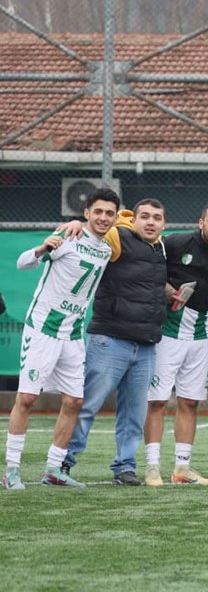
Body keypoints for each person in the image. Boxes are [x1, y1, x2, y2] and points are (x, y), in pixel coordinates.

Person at [3, 190, 117, 490]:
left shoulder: (107, 249)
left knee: (73, 401)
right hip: (43, 329)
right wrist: (42, 247)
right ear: (87, 213)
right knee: (27, 398)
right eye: (98, 212)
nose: (104, 217)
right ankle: (11, 470)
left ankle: (54, 469)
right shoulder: (67, 236)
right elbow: (23, 263)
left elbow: (134, 223)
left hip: (73, 333)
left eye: (110, 213)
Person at [62, 198, 169, 486]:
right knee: (87, 406)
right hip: (110, 340)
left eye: (156, 218)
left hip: (145, 344)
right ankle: (62, 461)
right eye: (144, 216)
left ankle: (125, 467)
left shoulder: (160, 248)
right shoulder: (116, 236)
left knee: (134, 414)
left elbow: (148, 283)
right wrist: (76, 224)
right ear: (132, 219)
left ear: (163, 224)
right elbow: (91, 234)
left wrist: (170, 295)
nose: (150, 222)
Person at [143, 201, 208, 487]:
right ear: (201, 222)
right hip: (166, 330)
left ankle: (182, 468)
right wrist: (166, 290)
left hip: (200, 335)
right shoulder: (175, 244)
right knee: (158, 400)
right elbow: (148, 268)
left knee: (190, 402)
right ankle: (152, 467)